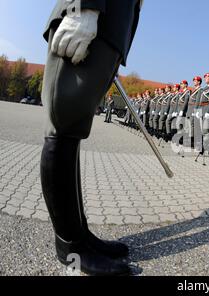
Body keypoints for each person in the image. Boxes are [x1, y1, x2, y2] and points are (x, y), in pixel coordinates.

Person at [40, 0, 142, 275]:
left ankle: (79, 234)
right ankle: (69, 246)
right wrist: (83, 7)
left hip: (110, 30)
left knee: (72, 131)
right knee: (61, 127)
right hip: (93, 17)